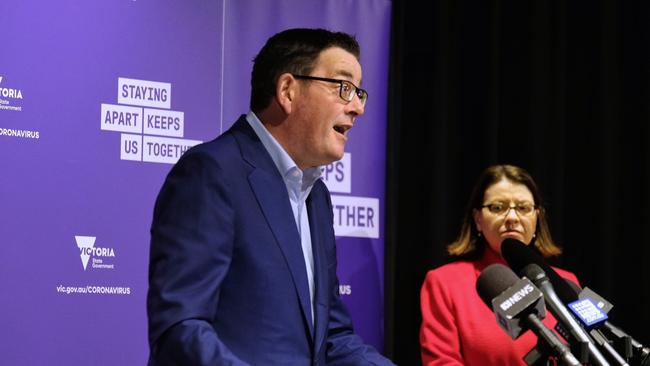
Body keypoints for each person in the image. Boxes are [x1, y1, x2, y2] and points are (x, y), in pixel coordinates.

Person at [146, 28, 395, 366]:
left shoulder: (316, 197)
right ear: (288, 91)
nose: (357, 108)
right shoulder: (212, 173)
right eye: (343, 87)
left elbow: (332, 339)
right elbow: (181, 328)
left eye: (359, 93)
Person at [420, 164, 579, 365]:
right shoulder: (445, 283)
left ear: (537, 217)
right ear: (478, 219)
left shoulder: (565, 282)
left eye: (523, 208)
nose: (512, 218)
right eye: (498, 207)